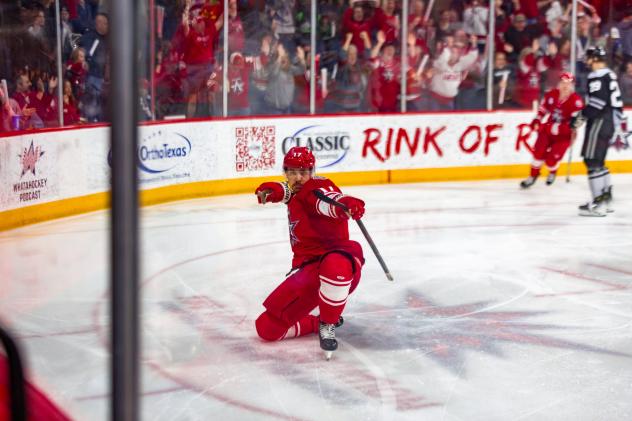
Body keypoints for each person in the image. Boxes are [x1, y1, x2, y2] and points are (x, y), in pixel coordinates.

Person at [254, 147, 366, 359]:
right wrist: (273, 191)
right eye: (292, 172)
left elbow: (326, 201)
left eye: (303, 172)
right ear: (285, 172)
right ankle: (316, 322)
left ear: (312, 171)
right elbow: (288, 192)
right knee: (266, 328)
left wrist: (345, 204)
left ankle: (328, 322)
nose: (297, 178)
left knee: (335, 263)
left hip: (339, 263)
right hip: (309, 272)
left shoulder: (317, 188)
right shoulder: (297, 190)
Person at [577, 46, 625, 216]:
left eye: (589, 57)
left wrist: (580, 117)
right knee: (599, 162)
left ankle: (599, 204)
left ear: (594, 59)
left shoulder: (597, 76)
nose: (586, 60)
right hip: (610, 121)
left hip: (599, 121)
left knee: (592, 161)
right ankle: (606, 200)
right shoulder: (609, 74)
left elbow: (597, 103)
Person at [520, 72, 584, 188]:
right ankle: (532, 176)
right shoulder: (551, 94)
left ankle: (552, 171)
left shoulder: (576, 101)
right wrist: (537, 119)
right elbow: (543, 109)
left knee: (551, 161)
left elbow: (577, 122)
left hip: (564, 135)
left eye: (568, 84)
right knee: (538, 153)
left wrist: (562, 127)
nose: (565, 86)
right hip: (548, 130)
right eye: (563, 83)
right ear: (559, 83)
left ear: (572, 85)